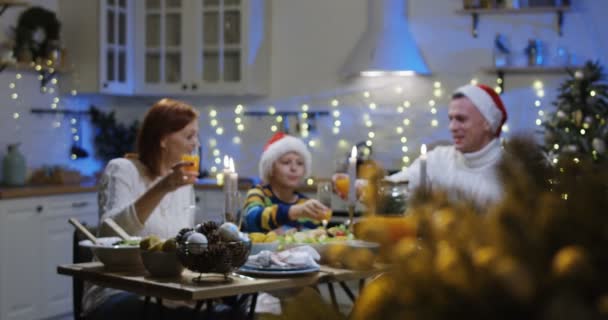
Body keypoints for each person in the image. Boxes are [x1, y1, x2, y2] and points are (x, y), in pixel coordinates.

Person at [83, 99, 236, 319]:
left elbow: (182, 245)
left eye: (197, 136)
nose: (197, 144)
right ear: (163, 138)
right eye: (189, 136)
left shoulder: (183, 185)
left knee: (230, 314)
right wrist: (162, 188)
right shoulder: (122, 170)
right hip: (119, 292)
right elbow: (111, 233)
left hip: (169, 289)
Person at [387, 83, 508, 208]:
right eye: (451, 119)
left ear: (487, 123)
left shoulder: (512, 170)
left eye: (461, 119)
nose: (452, 127)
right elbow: (395, 186)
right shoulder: (438, 158)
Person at [242, 132, 329, 233]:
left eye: (300, 163)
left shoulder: (305, 203)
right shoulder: (258, 193)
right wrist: (296, 211)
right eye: (286, 162)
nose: (294, 168)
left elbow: (316, 238)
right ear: (271, 168)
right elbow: (251, 220)